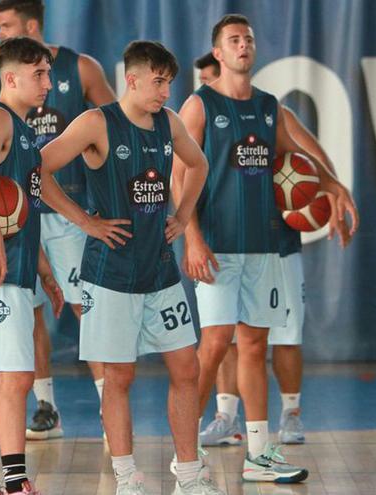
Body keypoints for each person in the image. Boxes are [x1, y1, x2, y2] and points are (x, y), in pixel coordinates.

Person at [175, 13, 357, 483]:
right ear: (218, 53)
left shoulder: (268, 106)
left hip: (263, 248)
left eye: (249, 39)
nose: (243, 45)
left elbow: (300, 153)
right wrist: (191, 237)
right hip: (216, 246)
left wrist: (335, 185)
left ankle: (259, 454)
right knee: (215, 346)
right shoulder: (199, 105)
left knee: (255, 345)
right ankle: (185, 453)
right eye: (233, 40)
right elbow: (180, 176)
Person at [40, 40, 225, 495]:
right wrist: (84, 220)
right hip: (111, 275)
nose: (165, 92)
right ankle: (126, 480)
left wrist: (182, 217)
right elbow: (37, 170)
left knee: (187, 368)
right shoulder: (95, 123)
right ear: (133, 78)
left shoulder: (170, 122)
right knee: (119, 377)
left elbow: (198, 165)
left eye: (169, 83)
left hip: (160, 271)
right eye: (158, 82)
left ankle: (189, 477)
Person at [0, 0, 116, 440]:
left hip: (70, 208)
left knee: (84, 306)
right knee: (31, 311)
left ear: (32, 25)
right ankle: (45, 405)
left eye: (6, 25)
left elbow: (116, 131)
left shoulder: (82, 69)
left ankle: (107, 402)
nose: (0, 33)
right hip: (20, 214)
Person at [200, 108, 357, 448]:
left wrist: (330, 194)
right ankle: (226, 417)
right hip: (225, 242)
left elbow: (313, 157)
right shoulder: (202, 113)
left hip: (275, 243)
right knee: (224, 336)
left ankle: (290, 413)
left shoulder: (270, 114)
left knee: (285, 333)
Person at [0, 36, 64, 495]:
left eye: (48, 73)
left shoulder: (25, 131)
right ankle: (15, 480)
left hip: (17, 268)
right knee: (17, 375)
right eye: (38, 74)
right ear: (11, 77)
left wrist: (44, 271)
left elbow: (25, 209)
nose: (47, 82)